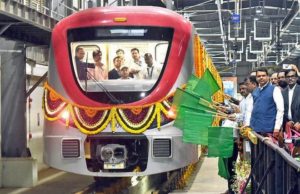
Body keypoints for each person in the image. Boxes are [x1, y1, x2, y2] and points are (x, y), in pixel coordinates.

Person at [250, 68, 284, 138]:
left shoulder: (274, 89)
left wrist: (277, 127)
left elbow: (280, 109)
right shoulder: (255, 91)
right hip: (255, 128)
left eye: (263, 75)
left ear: (268, 77)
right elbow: (252, 109)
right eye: (259, 76)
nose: (261, 77)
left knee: (269, 148)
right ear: (256, 78)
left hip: (269, 129)